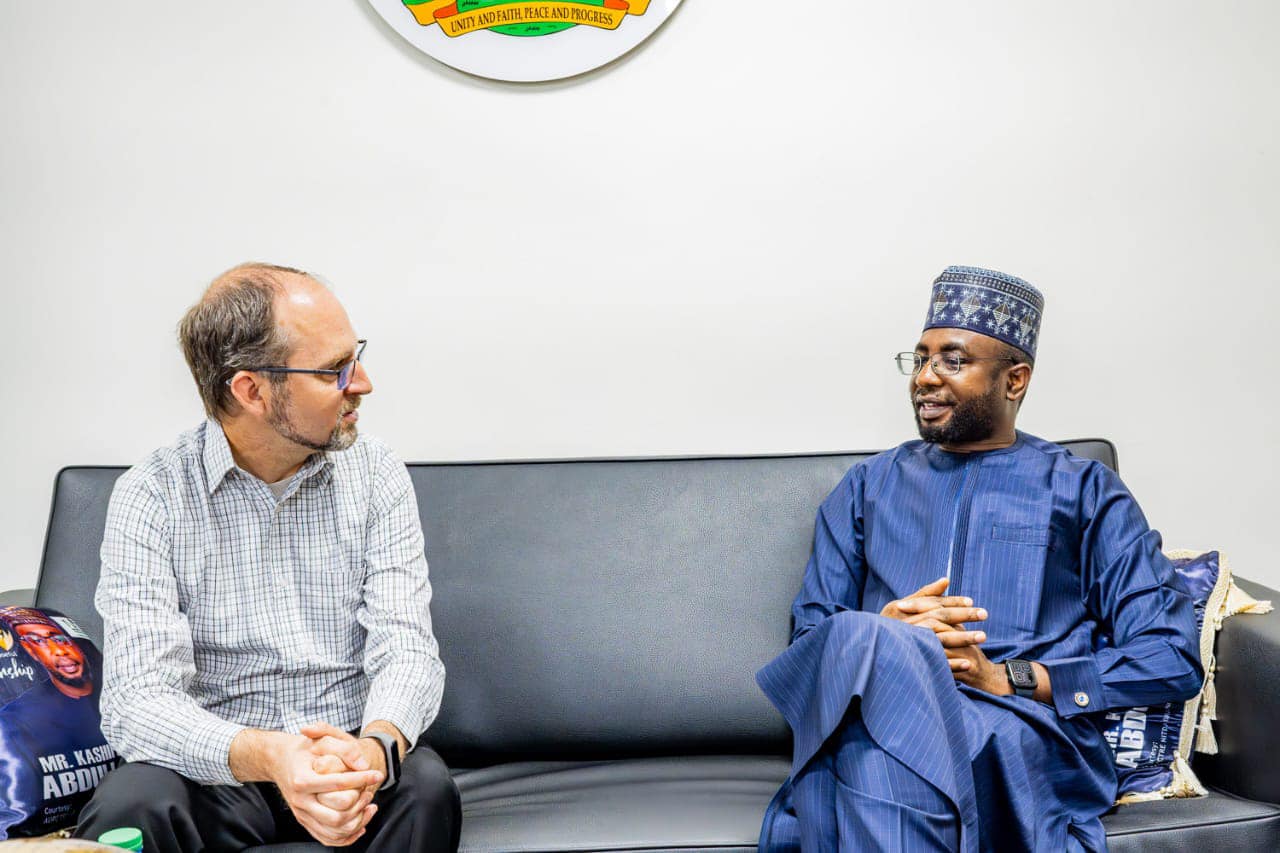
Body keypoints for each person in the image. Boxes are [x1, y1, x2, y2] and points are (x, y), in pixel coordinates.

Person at [755, 266, 1203, 851]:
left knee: (876, 752)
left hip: (1019, 728)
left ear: (1014, 380)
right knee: (869, 665)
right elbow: (813, 638)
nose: (924, 379)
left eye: (953, 361)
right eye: (918, 359)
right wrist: (886, 633)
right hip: (879, 710)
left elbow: (1169, 656)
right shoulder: (867, 487)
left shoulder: (1083, 490)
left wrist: (1007, 677)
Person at [75, 263, 461, 851]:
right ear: (251, 390)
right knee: (132, 804)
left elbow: (406, 648)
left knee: (426, 786)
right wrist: (272, 755)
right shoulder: (151, 494)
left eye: (353, 357)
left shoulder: (377, 474)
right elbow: (138, 703)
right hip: (219, 768)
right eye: (335, 370)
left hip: (349, 761)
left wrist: (374, 748)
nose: (362, 384)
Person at [0, 607, 112, 838]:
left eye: (61, 639)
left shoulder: (114, 703)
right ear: (31, 652)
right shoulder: (15, 722)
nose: (58, 650)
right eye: (38, 641)